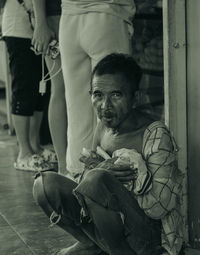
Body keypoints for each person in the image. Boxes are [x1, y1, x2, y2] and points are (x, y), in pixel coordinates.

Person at [33, 53, 184, 255]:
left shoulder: (154, 134)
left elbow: (162, 207)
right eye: (98, 95)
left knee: (96, 180)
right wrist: (99, 172)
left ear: (135, 98)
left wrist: (121, 182)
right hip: (109, 227)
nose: (105, 106)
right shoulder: (103, 127)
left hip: (147, 239)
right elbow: (88, 177)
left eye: (116, 95)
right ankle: (89, 242)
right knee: (44, 185)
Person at [59, 0, 136, 178]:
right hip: (107, 14)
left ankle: (78, 178)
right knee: (115, 105)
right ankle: (111, 183)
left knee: (76, 109)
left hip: (70, 17)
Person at [1, 0, 55, 171]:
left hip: (38, 29)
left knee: (40, 90)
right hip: (18, 30)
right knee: (24, 89)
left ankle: (35, 146)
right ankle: (23, 152)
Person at [31, 0, 68, 175]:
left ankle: (70, 163)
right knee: (60, 91)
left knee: (75, 92)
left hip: (70, 14)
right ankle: (62, 165)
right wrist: (40, 23)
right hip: (55, 15)